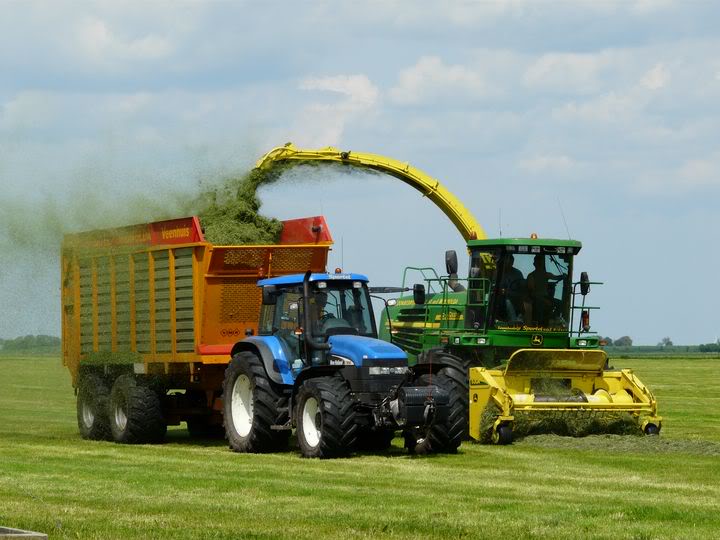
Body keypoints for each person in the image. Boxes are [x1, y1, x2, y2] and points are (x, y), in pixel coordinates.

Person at [524, 255, 563, 325]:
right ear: (534, 264)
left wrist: (563, 276)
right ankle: (540, 324)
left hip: (545, 298)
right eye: (538, 262)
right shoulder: (531, 276)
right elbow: (532, 294)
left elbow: (556, 277)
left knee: (559, 303)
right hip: (535, 299)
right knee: (540, 306)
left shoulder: (546, 274)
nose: (540, 264)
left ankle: (554, 319)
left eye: (541, 262)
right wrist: (544, 300)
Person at [497, 255, 525, 321]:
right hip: (500, 298)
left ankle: (514, 320)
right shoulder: (498, 273)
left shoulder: (518, 273)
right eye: (506, 262)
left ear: (512, 262)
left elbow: (523, 288)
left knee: (508, 301)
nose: (508, 263)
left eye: (510, 262)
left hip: (515, 297)